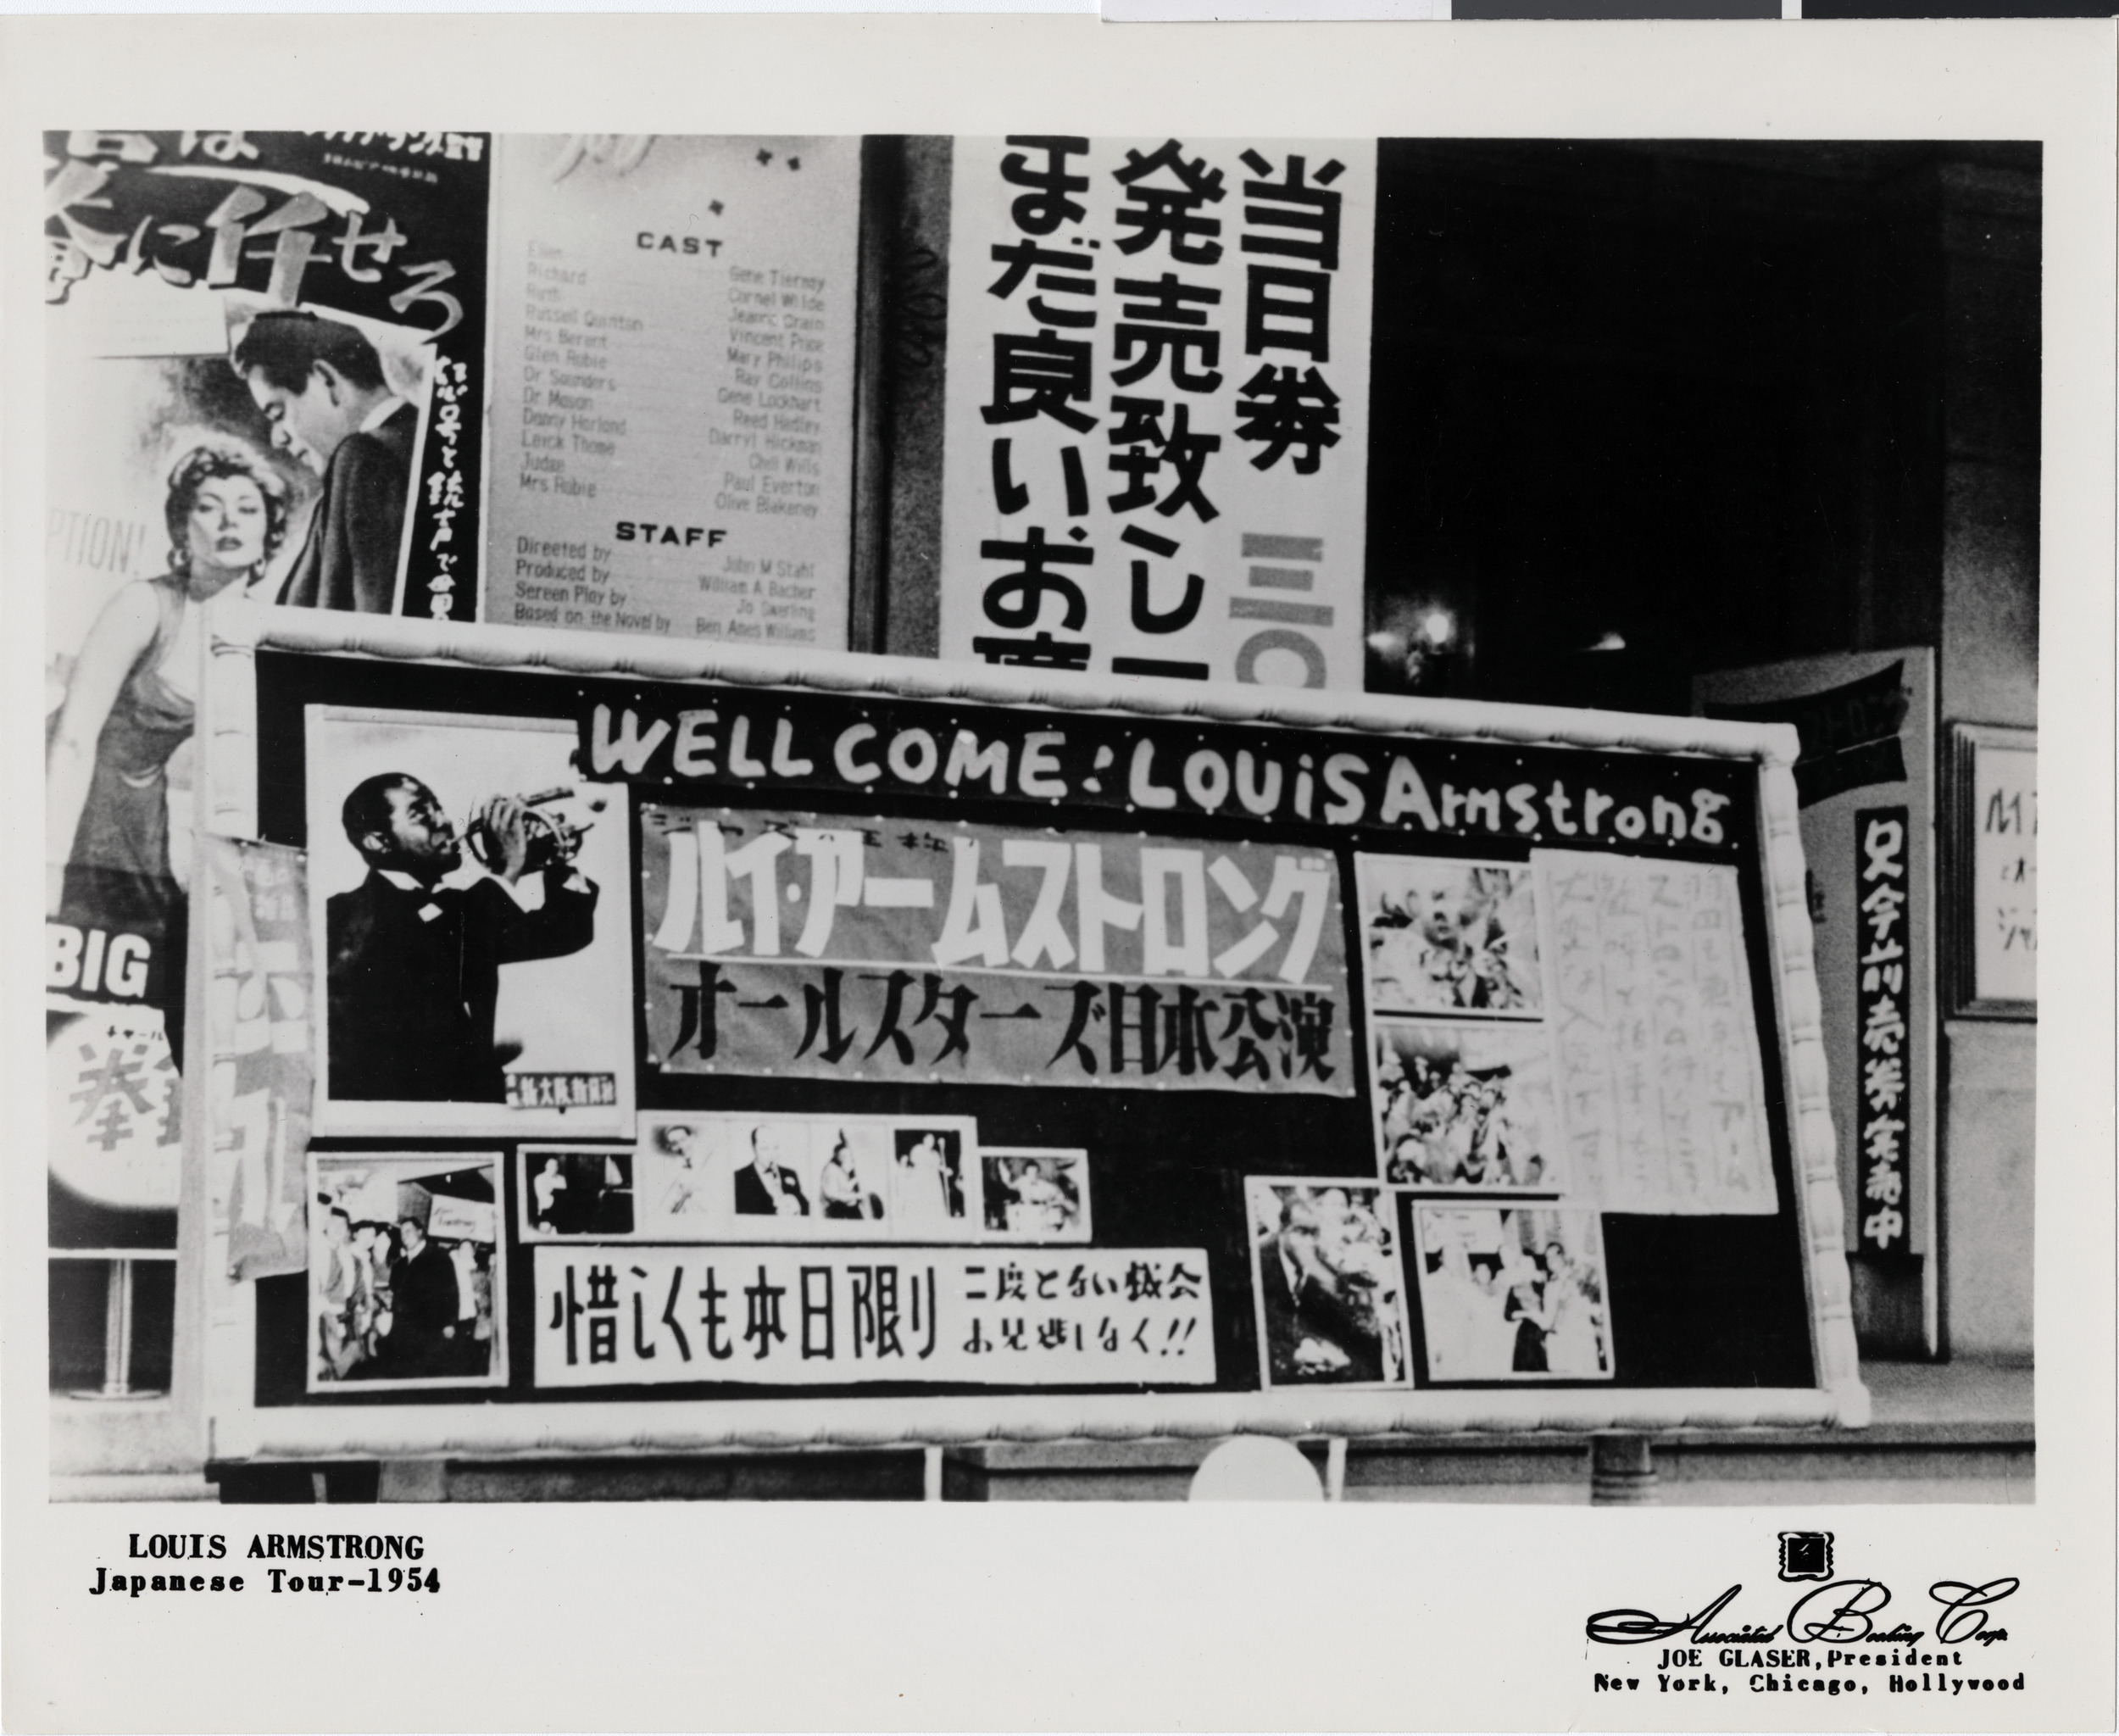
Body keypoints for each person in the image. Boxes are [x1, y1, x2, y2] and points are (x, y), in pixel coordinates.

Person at [47, 444, 291, 1037]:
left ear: (269, 533)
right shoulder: (143, 605)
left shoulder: (262, 630)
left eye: (247, 509)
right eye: (209, 507)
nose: (230, 522)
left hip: (140, 812)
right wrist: (44, 862)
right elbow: (74, 740)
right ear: (183, 526)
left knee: (128, 996)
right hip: (63, 793)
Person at [325, 775, 599, 1103]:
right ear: (378, 841)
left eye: (438, 807)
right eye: (421, 815)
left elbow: (561, 934)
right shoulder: (346, 913)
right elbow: (434, 958)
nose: (444, 821)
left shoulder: (459, 907)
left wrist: (553, 857)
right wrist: (507, 869)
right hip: (404, 1112)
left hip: (476, 1107)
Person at [233, 310, 416, 615]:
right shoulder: (417, 438)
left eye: (278, 414)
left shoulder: (365, 458)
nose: (278, 439)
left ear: (327, 380)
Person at [1256, 1192, 1385, 1384]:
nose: (1309, 1242)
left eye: (1314, 1233)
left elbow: (1335, 1318)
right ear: (1282, 1231)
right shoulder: (1259, 1264)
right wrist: (1294, 1354)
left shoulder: (1322, 1261)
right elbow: (1265, 1325)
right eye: (1301, 1231)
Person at [381, 1214, 460, 1377]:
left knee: (424, 1376)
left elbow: (450, 1292)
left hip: (428, 1331)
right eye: (402, 1233)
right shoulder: (399, 1264)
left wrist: (449, 1323)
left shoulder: (439, 1258)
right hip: (400, 1332)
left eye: (408, 1231)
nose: (404, 1236)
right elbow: (394, 1293)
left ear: (419, 1231)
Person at [733, 1126, 809, 1217]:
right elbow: (741, 1214)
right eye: (765, 1149)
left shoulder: (790, 1174)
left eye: (775, 1148)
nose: (771, 1155)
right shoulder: (739, 1177)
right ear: (754, 1148)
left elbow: (806, 1209)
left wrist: (798, 1207)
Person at [817, 1133, 881, 1221]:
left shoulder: (839, 1169)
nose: (849, 1159)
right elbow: (833, 1196)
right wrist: (856, 1196)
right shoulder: (831, 1170)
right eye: (845, 1157)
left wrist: (855, 1180)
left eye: (849, 1157)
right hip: (833, 1209)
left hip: (840, 1205)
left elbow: (844, 1188)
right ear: (839, 1156)